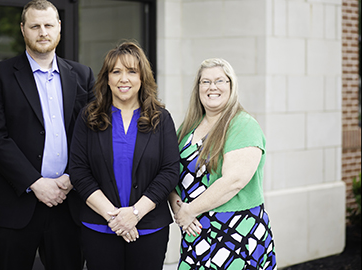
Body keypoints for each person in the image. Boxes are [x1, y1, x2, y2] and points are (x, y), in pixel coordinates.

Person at [0, 0, 94, 269]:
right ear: (23, 29)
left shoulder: (81, 74)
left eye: (49, 25)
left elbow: (90, 134)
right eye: (35, 26)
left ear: (59, 28)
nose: (42, 32)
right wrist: (36, 182)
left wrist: (72, 178)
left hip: (68, 203)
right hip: (15, 205)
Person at [69, 41, 180, 270]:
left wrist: (135, 214)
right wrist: (115, 218)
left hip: (149, 229)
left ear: (142, 78)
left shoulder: (161, 118)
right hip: (99, 227)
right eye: (116, 72)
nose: (123, 79)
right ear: (106, 78)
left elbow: (169, 171)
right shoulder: (89, 117)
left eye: (131, 72)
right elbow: (79, 171)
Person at [168, 58, 277, 269]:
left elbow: (234, 181)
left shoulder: (242, 125)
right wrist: (179, 209)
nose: (212, 87)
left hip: (236, 233)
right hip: (196, 233)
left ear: (231, 86)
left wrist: (190, 211)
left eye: (220, 81)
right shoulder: (188, 127)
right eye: (205, 82)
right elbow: (170, 172)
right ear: (198, 88)